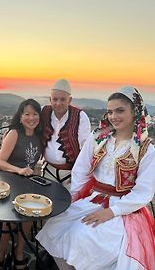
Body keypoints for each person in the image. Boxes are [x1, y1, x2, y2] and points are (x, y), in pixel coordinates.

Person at [36, 86, 155, 270]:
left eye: (120, 110)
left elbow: (143, 193)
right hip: (93, 198)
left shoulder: (146, 149)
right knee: (54, 225)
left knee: (82, 236)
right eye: (110, 111)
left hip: (123, 209)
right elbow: (81, 170)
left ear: (135, 111)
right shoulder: (99, 137)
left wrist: (111, 212)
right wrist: (74, 198)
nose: (113, 116)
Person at [0, 98, 43, 270]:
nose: (31, 118)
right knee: (12, 216)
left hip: (25, 181)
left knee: (32, 210)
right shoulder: (14, 133)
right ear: (20, 117)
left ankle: (19, 252)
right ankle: (0, 254)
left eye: (35, 114)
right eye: (27, 114)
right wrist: (19, 170)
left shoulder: (39, 135)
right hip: (6, 180)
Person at [41, 79, 91, 180]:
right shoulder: (43, 112)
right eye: (55, 99)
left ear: (70, 100)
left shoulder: (80, 116)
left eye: (63, 99)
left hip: (71, 173)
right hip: (48, 170)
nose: (58, 103)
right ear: (50, 99)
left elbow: (85, 146)